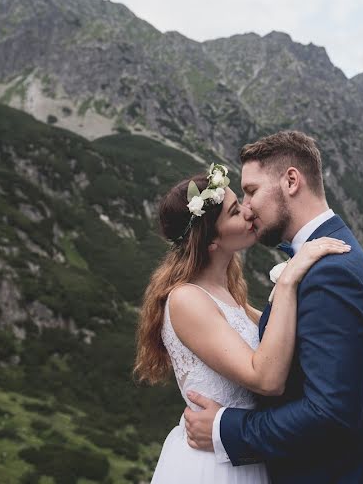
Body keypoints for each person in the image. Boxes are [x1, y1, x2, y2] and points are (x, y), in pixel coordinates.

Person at [183, 131, 363, 484]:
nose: (247, 207)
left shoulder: (331, 272)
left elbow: (329, 413)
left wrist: (225, 429)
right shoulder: (319, 258)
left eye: (251, 191)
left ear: (292, 181)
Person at [134, 162, 350, 484]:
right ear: (211, 241)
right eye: (235, 211)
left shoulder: (226, 293)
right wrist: (289, 281)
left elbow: (283, 339)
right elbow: (265, 378)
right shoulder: (186, 300)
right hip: (213, 469)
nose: (249, 211)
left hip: (241, 453)